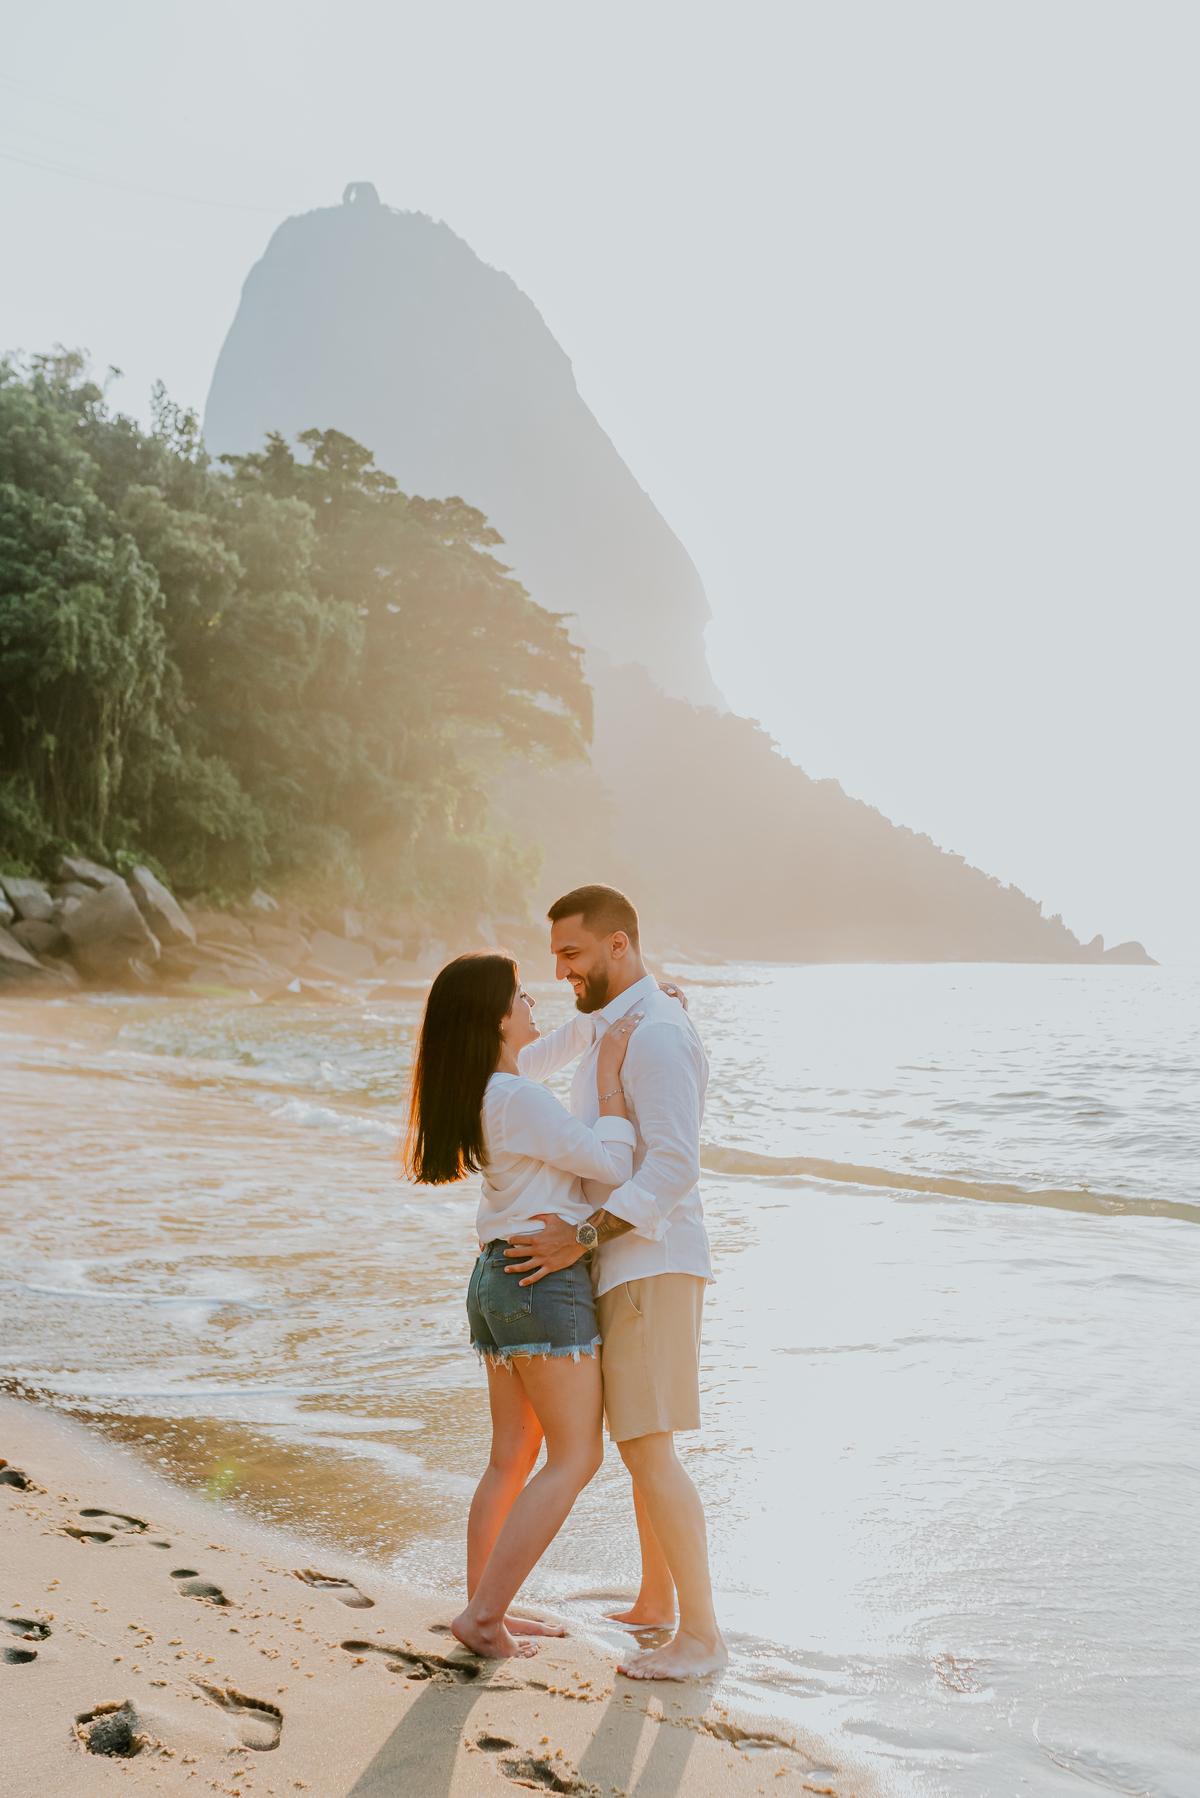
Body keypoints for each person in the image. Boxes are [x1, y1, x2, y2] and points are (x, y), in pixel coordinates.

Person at [505, 884, 728, 1680]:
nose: (560, 969)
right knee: (643, 1444)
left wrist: (583, 1236)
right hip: (628, 1260)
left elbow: (673, 1167)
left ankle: (702, 1637)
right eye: (555, 955)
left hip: (651, 1259)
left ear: (618, 945)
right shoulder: (617, 1022)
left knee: (649, 1446)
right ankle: (657, 1604)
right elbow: (522, 1063)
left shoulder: (657, 1034)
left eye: (572, 953)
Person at [403, 950, 641, 1660]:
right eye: (521, 995)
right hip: (541, 1281)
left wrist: (612, 1015)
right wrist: (611, 1082)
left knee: (510, 1459)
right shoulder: (518, 1100)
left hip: (494, 1278)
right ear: (498, 1017)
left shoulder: (490, 1087)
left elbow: (552, 1046)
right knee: (576, 1456)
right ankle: (484, 1616)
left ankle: (486, 1610)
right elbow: (614, 1165)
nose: (532, 1002)